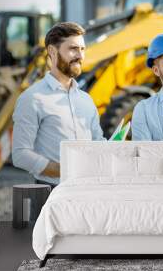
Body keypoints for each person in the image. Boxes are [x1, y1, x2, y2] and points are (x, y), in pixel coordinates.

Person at [12, 22, 104, 185]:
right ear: (52, 52)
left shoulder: (86, 100)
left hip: (88, 189)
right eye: (73, 49)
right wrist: (63, 170)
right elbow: (20, 154)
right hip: (52, 191)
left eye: (82, 49)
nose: (80, 56)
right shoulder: (33, 98)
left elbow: (98, 142)